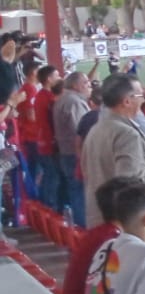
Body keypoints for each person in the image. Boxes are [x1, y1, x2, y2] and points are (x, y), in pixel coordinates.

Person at [81, 72, 145, 240]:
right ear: (126, 101)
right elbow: (130, 192)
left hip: (109, 229)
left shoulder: (98, 129)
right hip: (135, 234)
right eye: (140, 95)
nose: (143, 99)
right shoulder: (126, 134)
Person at [53, 70, 92, 222]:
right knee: (80, 192)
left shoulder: (65, 98)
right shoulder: (74, 101)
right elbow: (81, 130)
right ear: (76, 85)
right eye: (86, 82)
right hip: (75, 154)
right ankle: (83, 228)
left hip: (67, 152)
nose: (89, 85)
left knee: (75, 190)